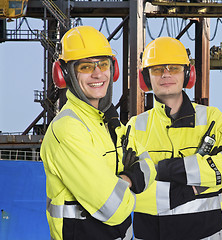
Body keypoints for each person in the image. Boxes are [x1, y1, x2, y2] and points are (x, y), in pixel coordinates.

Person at [40, 26, 156, 240]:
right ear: (64, 74)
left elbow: (149, 165)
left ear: (114, 69)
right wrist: (132, 179)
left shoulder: (108, 122)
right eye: (85, 66)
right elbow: (113, 208)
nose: (97, 73)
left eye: (103, 64)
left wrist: (122, 182)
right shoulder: (68, 129)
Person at [127, 37, 222, 239]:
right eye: (156, 69)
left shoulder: (212, 119)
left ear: (188, 73)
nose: (166, 74)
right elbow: (128, 190)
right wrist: (194, 187)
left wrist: (171, 169)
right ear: (145, 78)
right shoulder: (135, 127)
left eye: (174, 68)